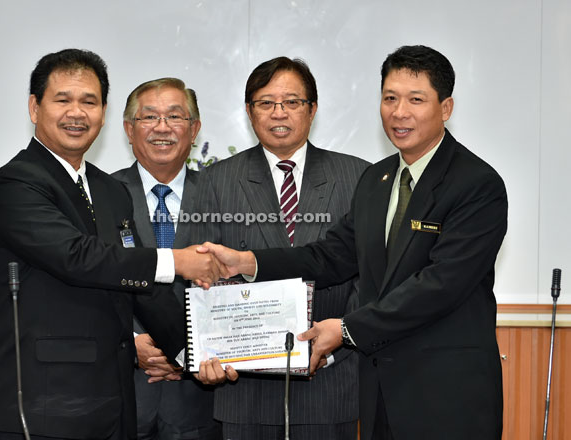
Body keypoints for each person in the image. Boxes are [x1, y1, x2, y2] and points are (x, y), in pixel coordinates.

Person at [203, 45, 507, 440]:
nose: (399, 112)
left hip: (446, 394)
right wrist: (247, 262)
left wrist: (345, 329)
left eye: (416, 100)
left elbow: (440, 285)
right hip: (380, 394)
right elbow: (330, 257)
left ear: (445, 107)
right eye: (390, 98)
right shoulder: (377, 181)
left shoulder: (476, 184)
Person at [0, 49, 221, 440]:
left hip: (112, 405)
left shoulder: (110, 190)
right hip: (41, 407)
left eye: (89, 102)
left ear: (104, 113)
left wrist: (196, 353)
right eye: (63, 100)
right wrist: (175, 261)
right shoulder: (16, 184)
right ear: (34, 107)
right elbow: (78, 257)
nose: (77, 113)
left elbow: (139, 286)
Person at [191, 57, 369, 440]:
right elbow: (199, 277)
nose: (279, 113)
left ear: (313, 110)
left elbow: (369, 278)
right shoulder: (216, 181)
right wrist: (207, 349)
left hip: (331, 382)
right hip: (243, 388)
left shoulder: (358, 177)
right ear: (249, 112)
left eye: (291, 102)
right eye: (266, 103)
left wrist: (338, 342)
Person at [112, 77, 221, 439]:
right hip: (122, 391)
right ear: (129, 129)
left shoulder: (222, 196)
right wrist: (129, 342)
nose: (162, 128)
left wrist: (189, 353)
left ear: (195, 129)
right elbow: (84, 280)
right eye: (148, 118)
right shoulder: (100, 194)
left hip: (201, 397)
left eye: (175, 116)